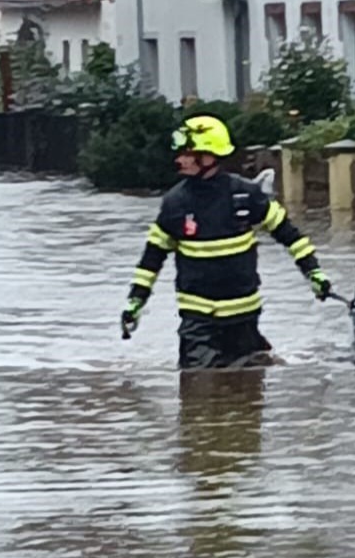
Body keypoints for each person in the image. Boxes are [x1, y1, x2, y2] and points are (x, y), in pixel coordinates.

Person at [120, 114, 333, 369]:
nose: (180, 159)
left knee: (249, 392)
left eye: (188, 153)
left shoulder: (246, 195)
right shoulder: (175, 203)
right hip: (198, 321)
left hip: (243, 318)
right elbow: (151, 259)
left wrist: (314, 273)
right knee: (196, 387)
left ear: (210, 156)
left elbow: (290, 236)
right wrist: (136, 301)